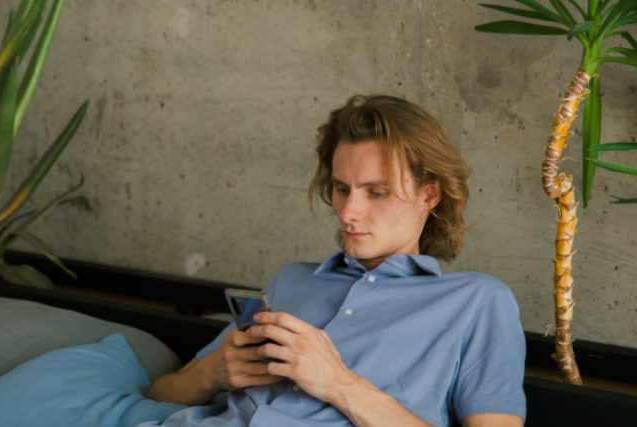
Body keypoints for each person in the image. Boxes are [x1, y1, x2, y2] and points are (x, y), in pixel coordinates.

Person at [140, 94, 527, 427]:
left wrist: (338, 383)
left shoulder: (477, 301)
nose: (348, 213)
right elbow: (161, 391)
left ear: (429, 196)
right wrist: (213, 374)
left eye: (376, 192)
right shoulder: (291, 280)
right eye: (342, 189)